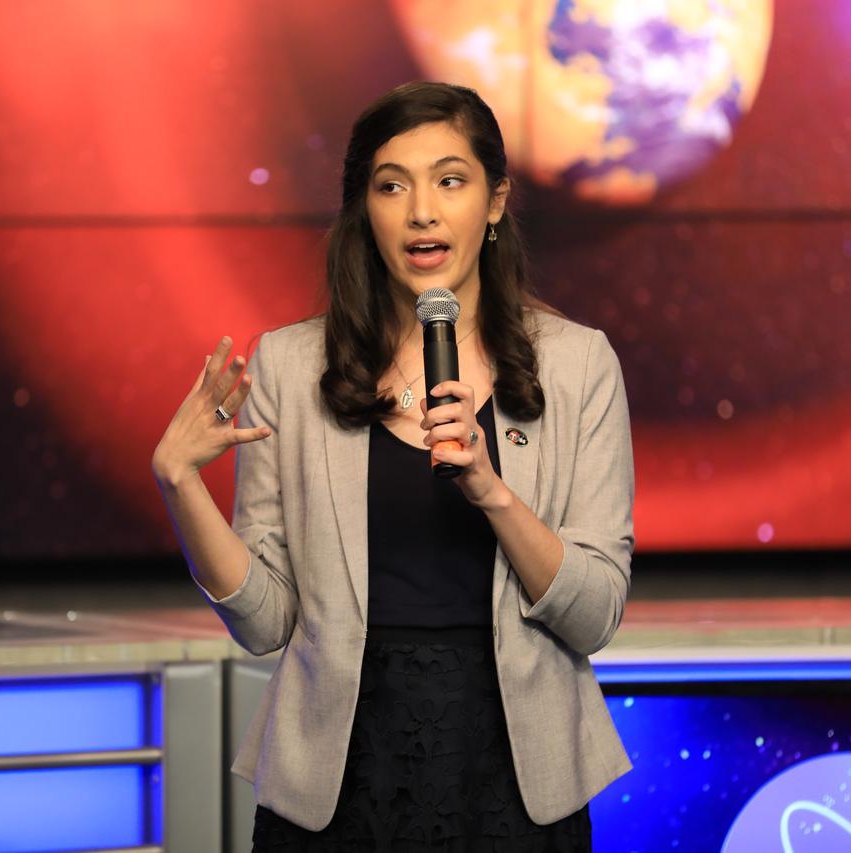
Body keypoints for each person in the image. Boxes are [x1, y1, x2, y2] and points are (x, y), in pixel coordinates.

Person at [153, 81, 634, 851]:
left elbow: (595, 613)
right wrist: (181, 485)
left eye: (450, 180)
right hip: (341, 773)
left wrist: (491, 491)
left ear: (496, 201)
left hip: (514, 773)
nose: (422, 212)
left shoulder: (578, 365)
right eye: (392, 185)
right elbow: (266, 620)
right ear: (364, 209)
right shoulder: (290, 364)